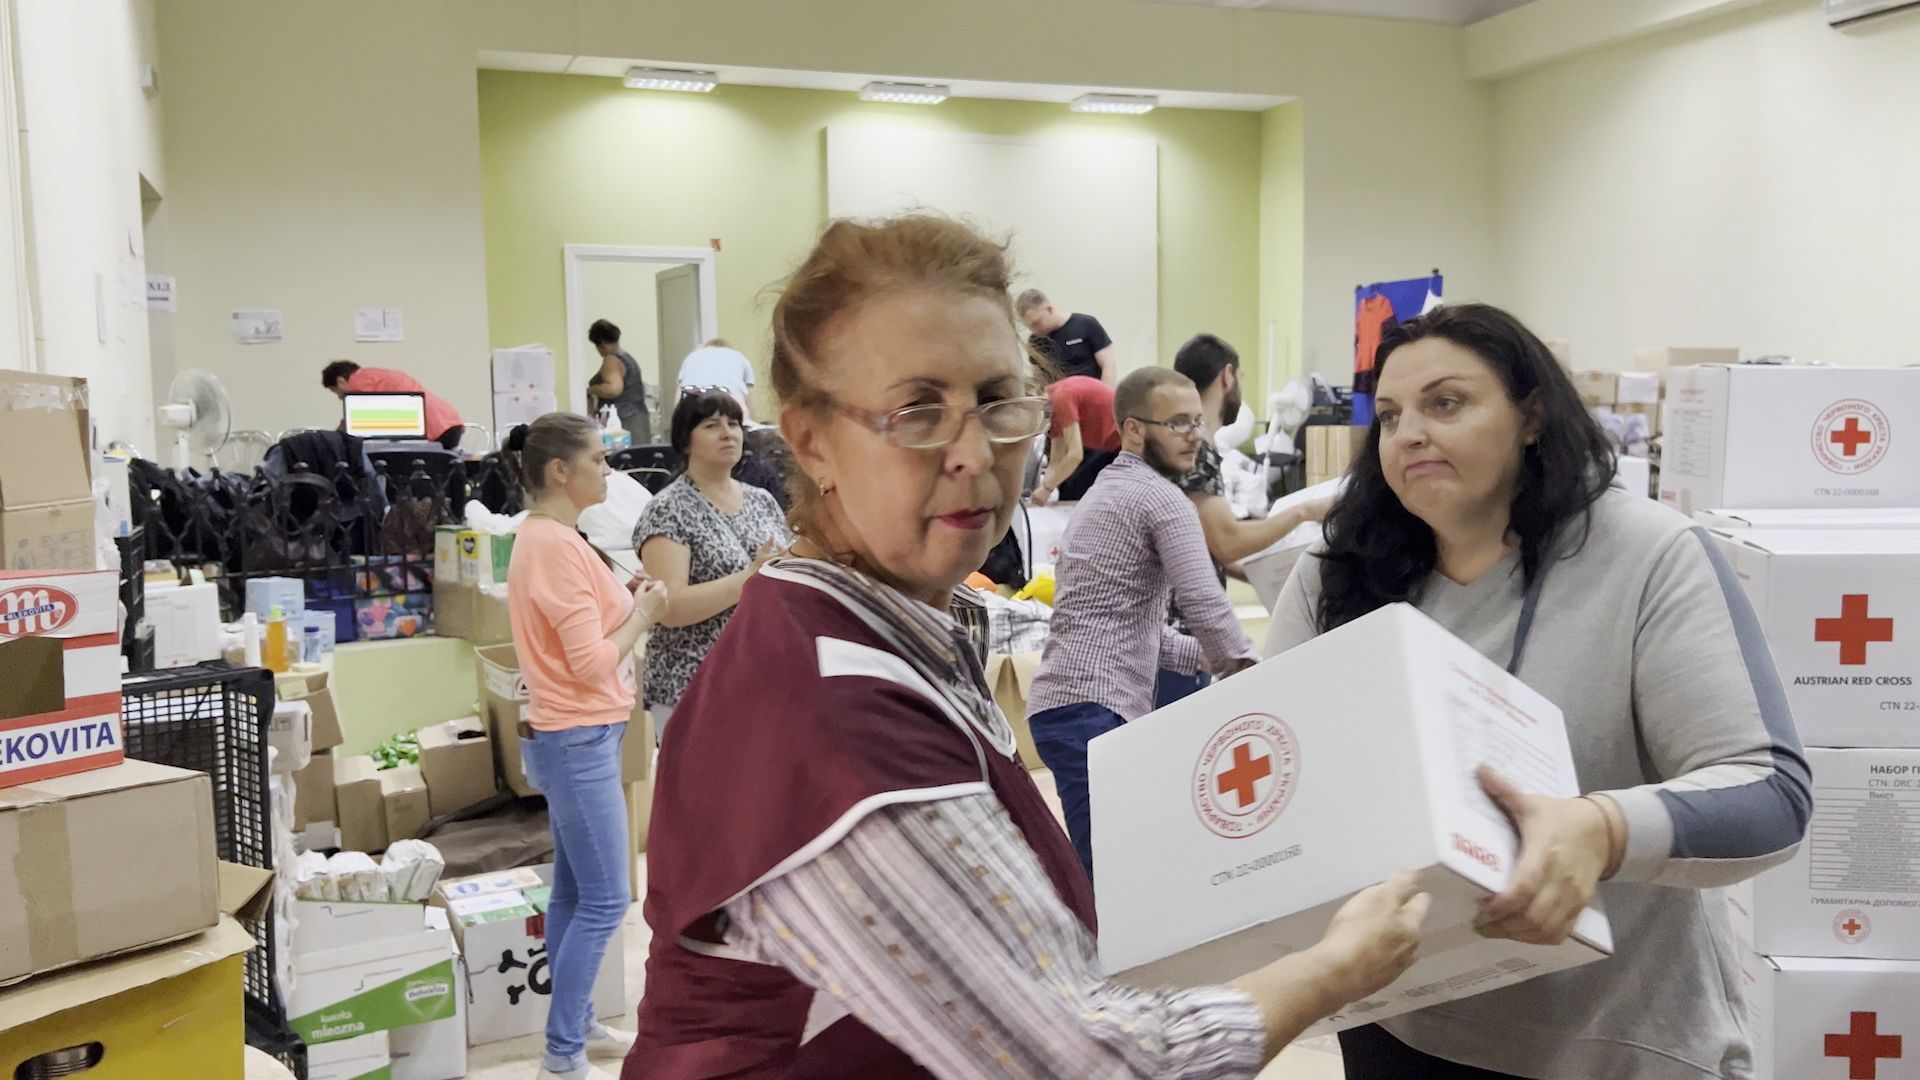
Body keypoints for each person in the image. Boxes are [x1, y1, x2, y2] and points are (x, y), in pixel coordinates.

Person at [628, 214, 1431, 1079]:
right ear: (813, 440)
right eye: (917, 411)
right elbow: (1092, 1064)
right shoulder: (829, 714)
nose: (976, 454)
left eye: (1000, 402)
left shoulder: (874, 633)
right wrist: (1334, 967)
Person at [1265, 303, 1812, 1080]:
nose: (1409, 432)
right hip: (1398, 1023)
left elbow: (1768, 794)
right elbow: (1280, 761)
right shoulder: (1338, 571)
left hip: (1606, 1042)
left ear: (1531, 415)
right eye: (1389, 416)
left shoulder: (1646, 556)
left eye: (1445, 403)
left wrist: (1602, 829)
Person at [1024, 366, 1261, 882]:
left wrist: (1211, 658)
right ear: (1133, 430)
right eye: (1177, 423)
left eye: (1197, 422)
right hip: (1093, 710)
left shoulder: (1103, 494)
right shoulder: (1160, 498)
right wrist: (1252, 668)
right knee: (1116, 883)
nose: (1194, 436)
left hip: (1067, 708)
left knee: (1117, 870)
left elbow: (1131, 630)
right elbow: (1203, 601)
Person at [502, 413, 670, 1080]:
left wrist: (625, 601)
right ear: (559, 472)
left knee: (575, 895)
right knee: (607, 899)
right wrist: (644, 616)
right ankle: (561, 1056)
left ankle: (573, 1025)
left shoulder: (560, 540)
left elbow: (585, 630)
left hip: (577, 734)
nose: (608, 471)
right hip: (578, 738)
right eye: (598, 460)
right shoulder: (551, 545)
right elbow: (593, 663)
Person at [1155, 333, 1332, 707]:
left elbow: (1205, 548)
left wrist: (1277, 577)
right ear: (1227, 376)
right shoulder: (1197, 447)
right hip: (1178, 637)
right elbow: (1226, 541)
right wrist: (1303, 512)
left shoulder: (1173, 443)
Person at [632, 388, 789, 739]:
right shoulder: (668, 509)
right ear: (685, 442)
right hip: (692, 682)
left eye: (733, 423)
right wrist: (749, 578)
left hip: (759, 677)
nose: (727, 433)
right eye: (711, 425)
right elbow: (668, 607)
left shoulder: (761, 500)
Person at [320, 360, 464, 450]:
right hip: (449, 421)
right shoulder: (374, 375)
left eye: (336, 392)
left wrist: (333, 438)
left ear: (341, 382)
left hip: (433, 429)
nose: (340, 398)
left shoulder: (359, 382)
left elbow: (353, 421)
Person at [1030, 373, 1121, 507]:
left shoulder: (1060, 398)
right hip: (1107, 444)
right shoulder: (1051, 409)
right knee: (1068, 489)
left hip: (1120, 442)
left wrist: (1046, 488)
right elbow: (1056, 462)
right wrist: (1042, 494)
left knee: (1076, 491)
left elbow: (1075, 455)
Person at [1016, 288, 1117, 383]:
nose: (1034, 330)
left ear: (1049, 309)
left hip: (1092, 395)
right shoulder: (1035, 341)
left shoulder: (1087, 324)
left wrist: (1106, 397)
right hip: (1058, 398)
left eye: (1037, 323)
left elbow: (1108, 364)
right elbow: (1039, 377)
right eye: (1029, 326)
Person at [586, 319, 654, 445]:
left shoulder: (611, 360)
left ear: (600, 344)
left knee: (625, 461)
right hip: (638, 417)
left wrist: (591, 390)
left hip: (622, 422)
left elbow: (614, 389)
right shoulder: (627, 358)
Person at [673, 338, 757, 419]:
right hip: (731, 400)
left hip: (692, 401)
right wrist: (754, 423)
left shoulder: (690, 357)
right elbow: (751, 400)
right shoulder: (740, 357)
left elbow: (679, 394)